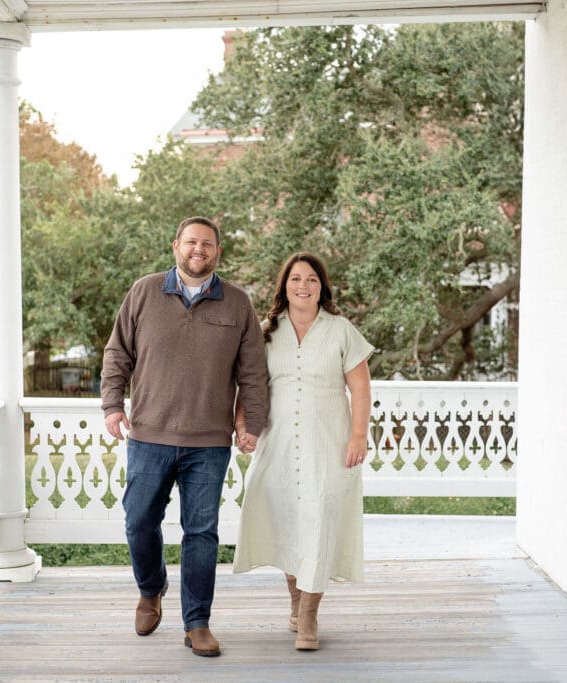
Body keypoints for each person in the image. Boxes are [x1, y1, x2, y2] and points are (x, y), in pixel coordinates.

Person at [101, 216, 269, 658]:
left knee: (201, 532)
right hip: (149, 435)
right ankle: (151, 589)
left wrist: (252, 421)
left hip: (209, 442)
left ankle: (197, 622)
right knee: (138, 520)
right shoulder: (144, 291)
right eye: (191, 242)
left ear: (218, 251)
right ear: (176, 245)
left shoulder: (238, 303)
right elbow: (118, 351)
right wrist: (112, 404)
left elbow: (253, 371)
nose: (199, 250)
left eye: (208, 244)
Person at [232, 251, 373, 651]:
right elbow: (251, 384)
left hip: (328, 444)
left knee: (319, 521)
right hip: (277, 445)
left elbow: (360, 386)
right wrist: (244, 426)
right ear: (284, 286)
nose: (303, 286)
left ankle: (309, 615)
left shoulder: (341, 330)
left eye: (311, 279)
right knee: (286, 522)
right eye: (296, 279)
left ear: (321, 287)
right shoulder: (266, 331)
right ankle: (295, 601)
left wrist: (359, 435)